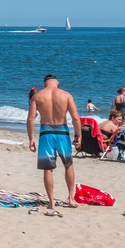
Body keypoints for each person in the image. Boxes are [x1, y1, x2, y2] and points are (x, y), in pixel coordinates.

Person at [27, 74, 81, 215]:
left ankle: (51, 203)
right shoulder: (66, 95)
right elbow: (75, 117)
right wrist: (79, 136)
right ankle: (70, 198)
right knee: (68, 165)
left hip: (46, 134)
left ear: (44, 84)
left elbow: (31, 119)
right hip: (62, 133)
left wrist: (30, 139)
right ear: (57, 82)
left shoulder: (37, 96)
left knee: (48, 169)